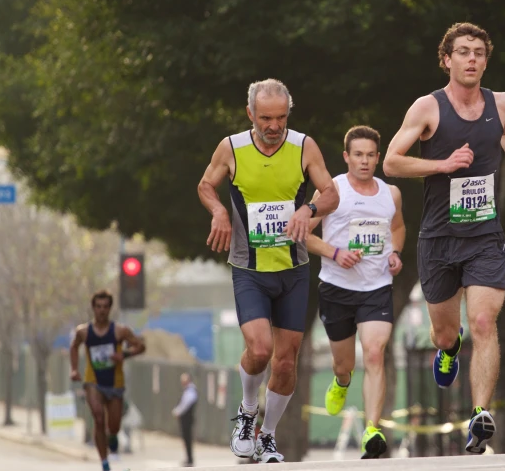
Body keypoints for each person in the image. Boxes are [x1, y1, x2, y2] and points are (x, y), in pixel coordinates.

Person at [383, 22, 505, 454]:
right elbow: (391, 162)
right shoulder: (427, 108)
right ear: (446, 59)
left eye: (479, 52)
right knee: (446, 333)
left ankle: (480, 414)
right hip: (439, 238)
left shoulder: (500, 103)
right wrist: (443, 165)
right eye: (462, 52)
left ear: (486, 59)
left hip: (485, 235)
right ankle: (449, 348)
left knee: (485, 321)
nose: (471, 59)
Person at [197, 78, 339, 463]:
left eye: (280, 117)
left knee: (286, 360)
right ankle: (246, 412)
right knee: (259, 349)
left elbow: (331, 194)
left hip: (293, 269)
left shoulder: (304, 146)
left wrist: (308, 210)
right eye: (265, 118)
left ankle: (268, 436)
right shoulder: (231, 148)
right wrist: (219, 211)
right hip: (250, 267)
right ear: (250, 115)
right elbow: (206, 185)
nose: (274, 126)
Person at [305, 125, 405, 459]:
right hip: (336, 287)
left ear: (378, 158)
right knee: (343, 364)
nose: (364, 161)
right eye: (357, 155)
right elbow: (302, 233)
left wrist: (395, 253)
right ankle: (342, 381)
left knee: (375, 354)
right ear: (347, 156)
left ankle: (372, 430)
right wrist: (335, 253)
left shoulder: (390, 194)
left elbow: (398, 228)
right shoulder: (332, 189)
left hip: (376, 287)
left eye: (370, 155)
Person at [70, 289, 146, 471]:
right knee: (97, 417)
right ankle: (104, 462)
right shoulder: (84, 332)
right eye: (98, 306)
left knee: (113, 426)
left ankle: (112, 436)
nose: (101, 310)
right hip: (93, 380)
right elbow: (74, 347)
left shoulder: (120, 331)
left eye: (105, 306)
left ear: (110, 308)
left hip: (115, 382)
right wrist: (74, 370)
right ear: (93, 308)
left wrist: (124, 355)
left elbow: (141, 346)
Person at [172, 373, 199, 467]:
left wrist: (177, 412)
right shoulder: (188, 390)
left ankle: (190, 459)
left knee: (187, 439)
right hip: (185, 419)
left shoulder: (191, 390)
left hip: (187, 419)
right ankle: (188, 458)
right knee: (186, 439)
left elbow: (185, 404)